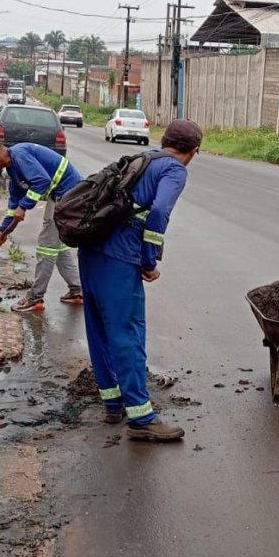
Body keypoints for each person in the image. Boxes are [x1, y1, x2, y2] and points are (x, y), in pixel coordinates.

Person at [79, 119, 203, 442]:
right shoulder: (175, 169)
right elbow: (160, 211)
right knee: (127, 332)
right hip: (118, 256)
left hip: (91, 249)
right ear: (193, 151)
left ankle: (112, 403)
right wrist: (149, 259)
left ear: (164, 140)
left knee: (98, 327)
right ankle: (141, 417)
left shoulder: (140, 159)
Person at [0, 137, 84, 311]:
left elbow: (42, 181)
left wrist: (24, 206)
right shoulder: (12, 168)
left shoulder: (20, 154)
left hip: (69, 194)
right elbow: (14, 201)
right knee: (57, 246)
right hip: (61, 196)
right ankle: (77, 290)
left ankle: (36, 297)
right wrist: (3, 231)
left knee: (47, 245)